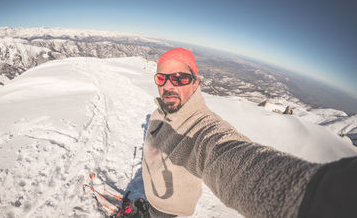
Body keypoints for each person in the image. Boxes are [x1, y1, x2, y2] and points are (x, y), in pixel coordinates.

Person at [137, 48, 357, 218]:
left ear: (195, 83)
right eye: (161, 78)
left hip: (168, 205)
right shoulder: (161, 110)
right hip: (153, 192)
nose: (168, 86)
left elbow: (226, 156)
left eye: (179, 78)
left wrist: (313, 196)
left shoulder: (201, 126)